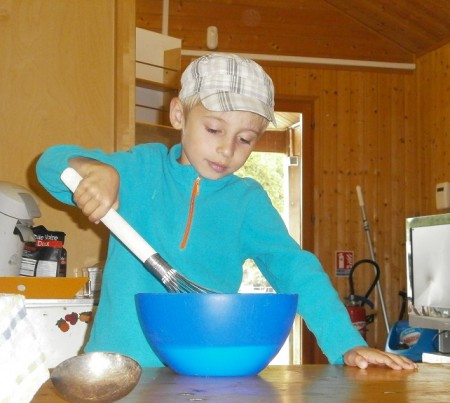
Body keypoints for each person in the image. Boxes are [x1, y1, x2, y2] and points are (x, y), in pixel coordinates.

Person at [36, 53, 416, 370]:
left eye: (245, 139)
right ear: (179, 115)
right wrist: (94, 171)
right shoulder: (139, 170)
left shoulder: (247, 200)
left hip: (203, 373)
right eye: (215, 129)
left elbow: (296, 269)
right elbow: (49, 166)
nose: (226, 150)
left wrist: (345, 342)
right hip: (115, 368)